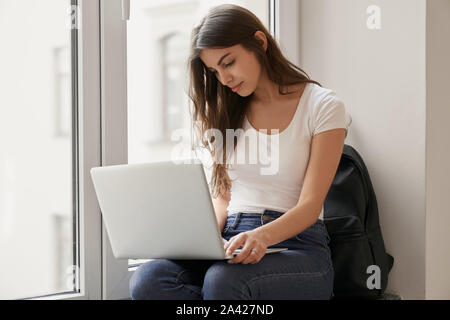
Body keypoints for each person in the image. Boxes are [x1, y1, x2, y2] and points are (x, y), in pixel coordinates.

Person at [129, 4, 351, 300]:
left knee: (224, 281)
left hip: (299, 246)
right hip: (232, 239)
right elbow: (223, 198)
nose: (224, 79)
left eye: (229, 62)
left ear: (259, 42)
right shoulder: (225, 112)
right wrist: (203, 240)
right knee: (149, 279)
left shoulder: (323, 106)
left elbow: (310, 206)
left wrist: (261, 237)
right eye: (214, 71)